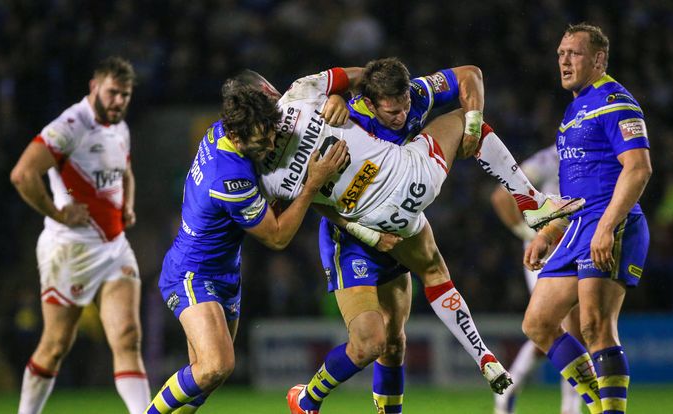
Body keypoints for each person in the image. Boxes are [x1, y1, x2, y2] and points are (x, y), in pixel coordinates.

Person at [244, 65, 583, 413]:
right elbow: (305, 206)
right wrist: (365, 231)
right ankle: (308, 398)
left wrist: (472, 122)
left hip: (401, 210)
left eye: (403, 106)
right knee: (367, 344)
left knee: (394, 342)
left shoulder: (412, 95)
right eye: (391, 110)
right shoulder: (338, 122)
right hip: (350, 235)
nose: (401, 115)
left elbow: (467, 75)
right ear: (371, 104)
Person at [143, 76, 351, 414]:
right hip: (192, 273)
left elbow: (252, 86)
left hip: (225, 274)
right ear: (238, 137)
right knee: (216, 365)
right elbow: (278, 235)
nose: (270, 145)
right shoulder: (228, 178)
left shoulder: (227, 127)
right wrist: (313, 183)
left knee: (206, 376)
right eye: (262, 141)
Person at [521, 24, 652, 414]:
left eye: (574, 53)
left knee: (595, 326)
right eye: (561, 53)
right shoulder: (573, 110)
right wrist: (549, 231)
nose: (563, 60)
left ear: (598, 59)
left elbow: (639, 168)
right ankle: (600, 408)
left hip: (612, 221)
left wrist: (608, 226)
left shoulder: (617, 101)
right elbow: (574, 189)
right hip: (577, 226)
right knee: (538, 324)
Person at [9, 57, 151, 414]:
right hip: (71, 250)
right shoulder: (70, 126)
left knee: (128, 338)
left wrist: (128, 206)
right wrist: (57, 212)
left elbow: (127, 172)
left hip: (114, 247)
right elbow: (23, 174)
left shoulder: (119, 127)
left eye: (126, 95)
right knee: (56, 345)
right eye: (113, 93)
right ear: (94, 87)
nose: (119, 101)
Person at [490, 145, 583, 414]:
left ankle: (508, 389)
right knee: (568, 326)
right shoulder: (555, 156)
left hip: (577, 246)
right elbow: (500, 196)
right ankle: (571, 407)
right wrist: (528, 235)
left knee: (550, 331)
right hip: (550, 251)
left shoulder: (594, 154)